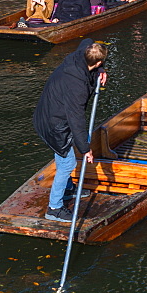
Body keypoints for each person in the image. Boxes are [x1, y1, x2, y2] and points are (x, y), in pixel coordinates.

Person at [33, 38, 108, 222]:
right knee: (67, 164)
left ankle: (67, 189)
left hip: (48, 113)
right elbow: (76, 121)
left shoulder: (82, 52)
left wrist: (101, 70)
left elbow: (87, 39)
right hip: (54, 124)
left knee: (63, 158)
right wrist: (85, 148)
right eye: (101, 64)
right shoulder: (77, 86)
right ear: (96, 61)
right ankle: (54, 208)